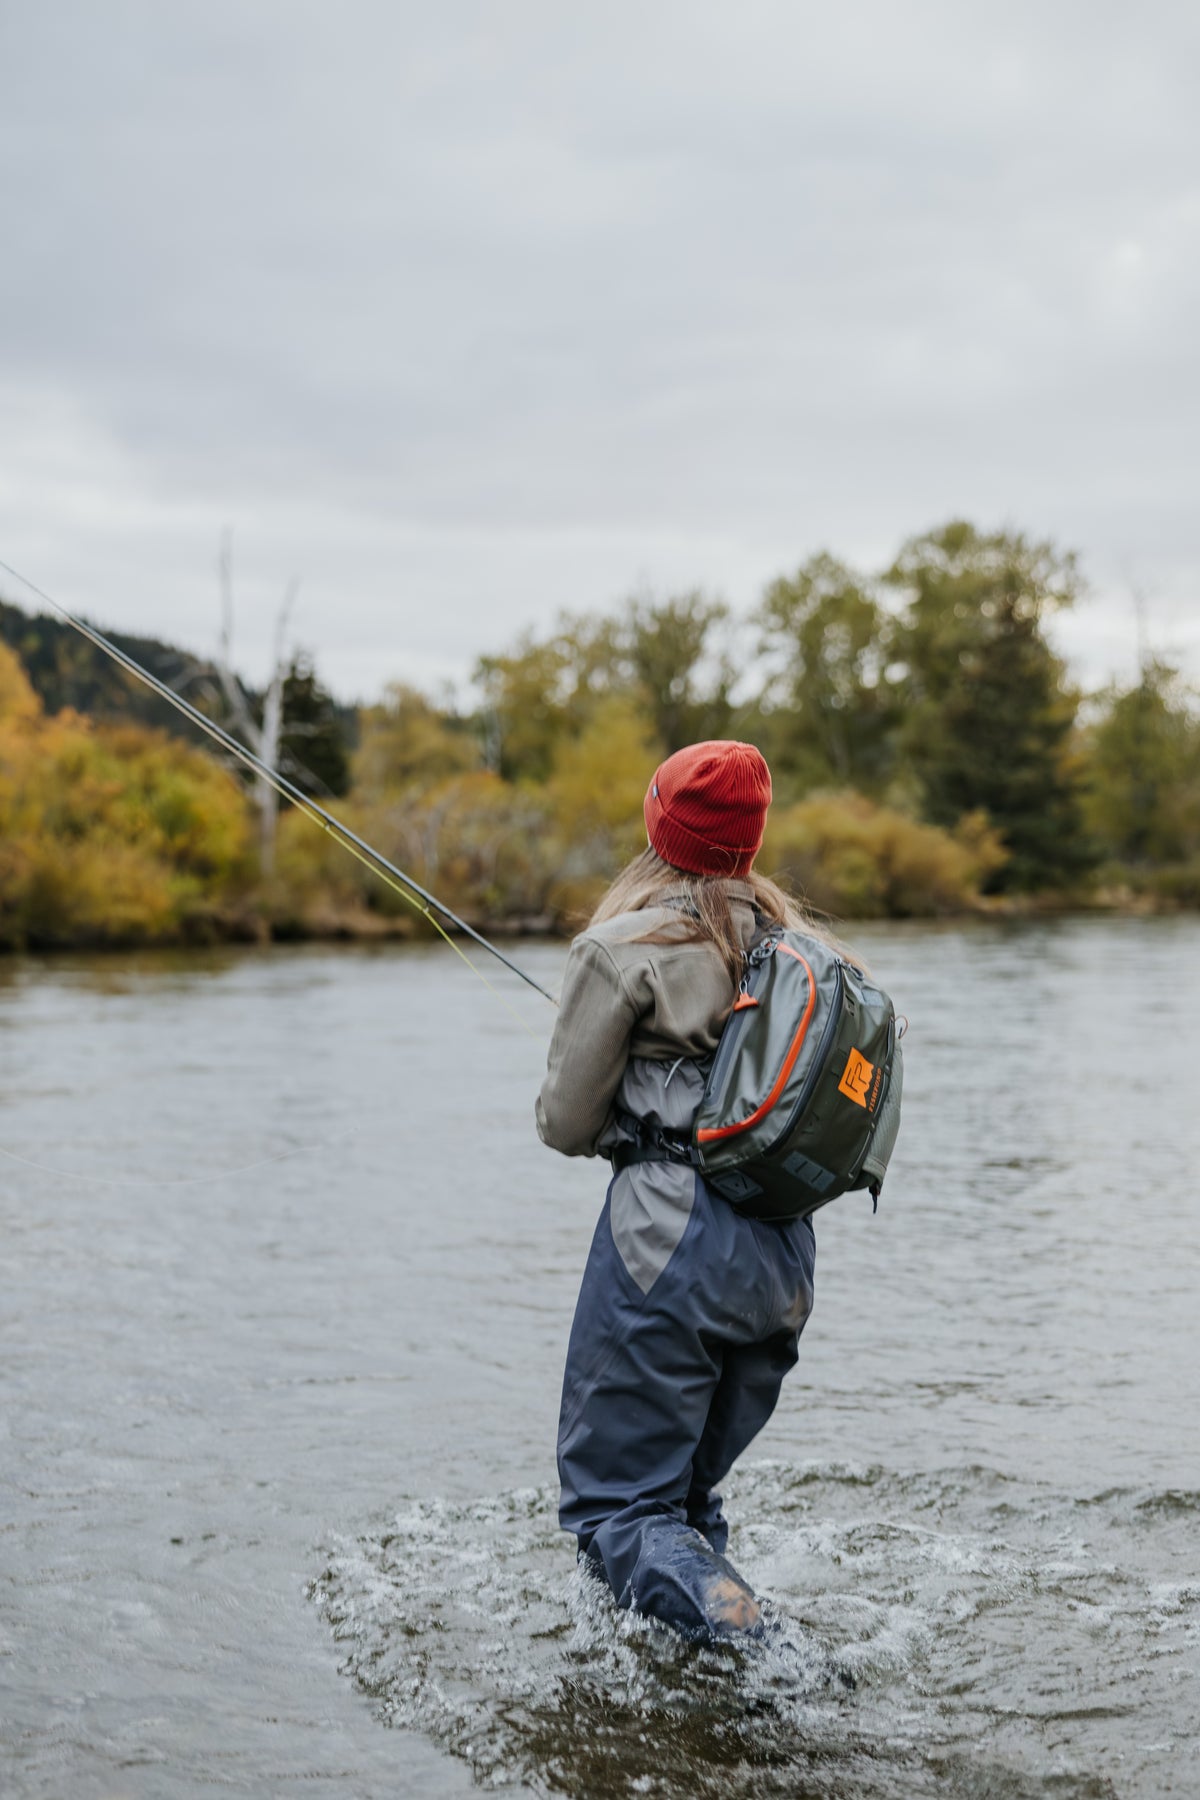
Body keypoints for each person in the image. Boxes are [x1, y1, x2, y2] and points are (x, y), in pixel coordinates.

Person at [536, 739, 830, 1642]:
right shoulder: (804, 952)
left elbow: (563, 1123)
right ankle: (733, 1707)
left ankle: (748, 1635)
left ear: (661, 825)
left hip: (667, 1248)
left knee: (618, 1510)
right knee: (685, 1504)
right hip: (781, 1260)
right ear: (752, 837)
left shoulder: (621, 948)